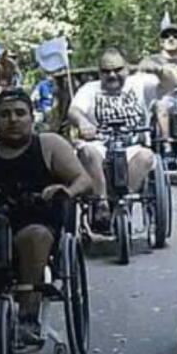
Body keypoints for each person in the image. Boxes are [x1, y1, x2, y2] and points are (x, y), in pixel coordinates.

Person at [0, 90, 92, 343]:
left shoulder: (49, 146)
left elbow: (83, 180)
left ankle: (28, 316)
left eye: (20, 113)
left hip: (40, 223)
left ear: (31, 117)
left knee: (34, 236)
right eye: (5, 114)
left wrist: (66, 191)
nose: (13, 120)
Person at [67, 49, 158, 232]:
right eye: (106, 71)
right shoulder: (89, 89)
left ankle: (123, 203)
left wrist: (160, 70)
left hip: (132, 145)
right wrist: (83, 122)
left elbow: (171, 84)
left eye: (117, 70)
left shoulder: (140, 84)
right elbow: (74, 111)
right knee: (87, 152)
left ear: (127, 68)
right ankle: (102, 203)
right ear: (99, 72)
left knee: (146, 156)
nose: (112, 75)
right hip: (99, 144)